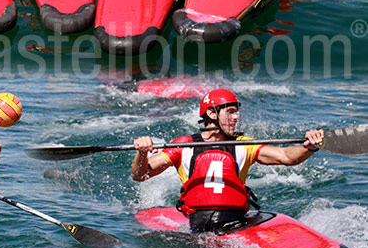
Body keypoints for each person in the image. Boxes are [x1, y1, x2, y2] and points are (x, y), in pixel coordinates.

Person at [132, 88, 324, 234]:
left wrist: (310, 146)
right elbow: (141, 175)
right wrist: (141, 153)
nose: (236, 117)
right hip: (196, 226)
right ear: (212, 114)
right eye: (230, 112)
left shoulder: (244, 145)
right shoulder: (183, 145)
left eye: (236, 112)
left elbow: (286, 157)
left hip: (235, 224)